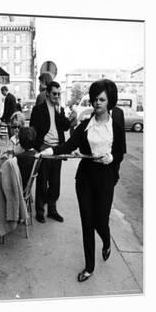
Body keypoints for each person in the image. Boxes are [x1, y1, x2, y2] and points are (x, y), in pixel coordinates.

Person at [39, 79, 126, 282]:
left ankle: (106, 241)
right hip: (85, 178)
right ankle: (89, 267)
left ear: (110, 100)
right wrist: (49, 151)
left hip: (105, 179)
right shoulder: (87, 124)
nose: (97, 103)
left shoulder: (117, 126)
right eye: (95, 99)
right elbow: (69, 144)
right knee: (87, 222)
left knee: (100, 222)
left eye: (102, 99)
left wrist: (111, 158)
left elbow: (120, 152)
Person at [29, 81, 70, 223]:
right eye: (54, 94)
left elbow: (66, 127)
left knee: (55, 182)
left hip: (57, 149)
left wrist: (60, 112)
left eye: (59, 94)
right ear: (47, 93)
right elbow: (32, 132)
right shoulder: (38, 109)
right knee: (42, 181)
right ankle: (40, 211)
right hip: (44, 148)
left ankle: (52, 210)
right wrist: (39, 147)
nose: (57, 96)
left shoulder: (60, 109)